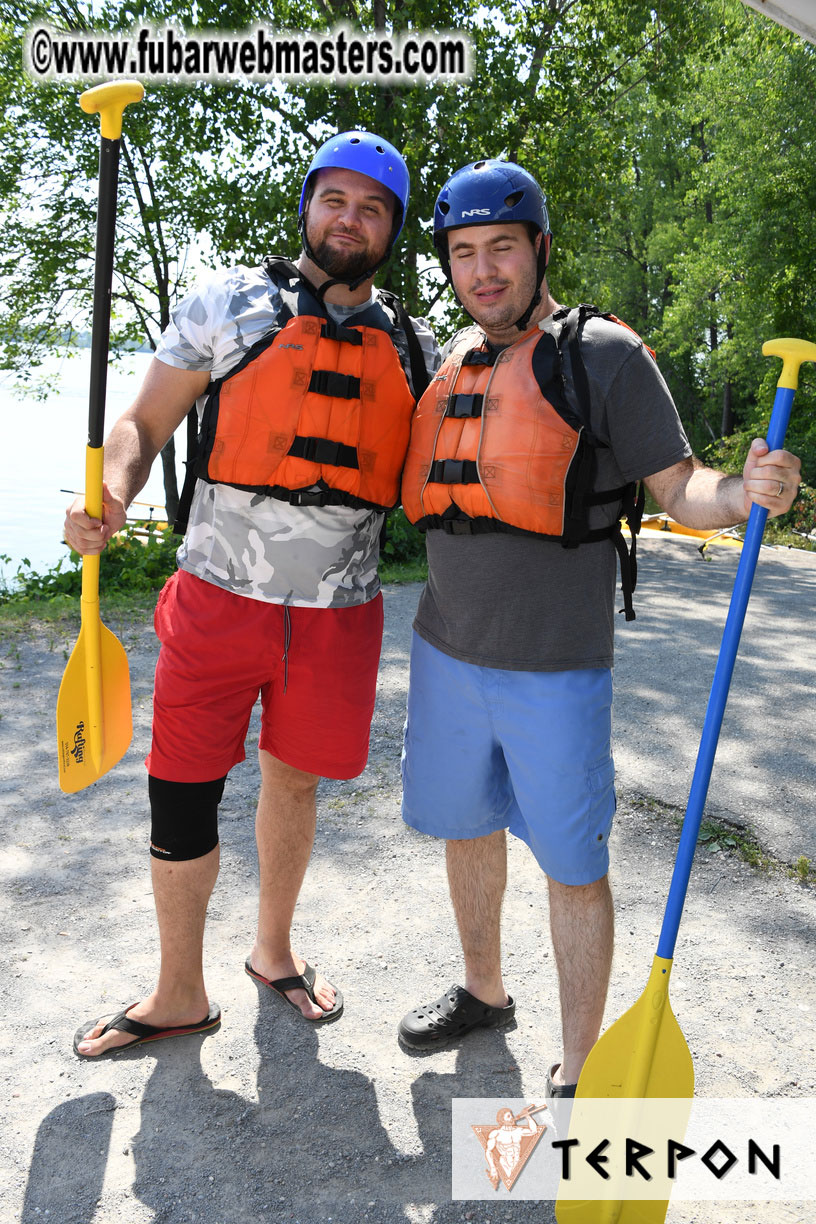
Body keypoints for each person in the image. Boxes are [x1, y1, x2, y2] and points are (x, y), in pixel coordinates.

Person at [396, 159, 801, 1099]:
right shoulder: (452, 361)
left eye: (502, 248)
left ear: (539, 250)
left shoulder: (605, 355)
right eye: (464, 254)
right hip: (446, 648)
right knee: (468, 828)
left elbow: (682, 487)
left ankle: (580, 1073)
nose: (483, 270)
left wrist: (747, 493)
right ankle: (484, 992)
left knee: (574, 866)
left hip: (556, 669)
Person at [65, 130, 438, 1057]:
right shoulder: (230, 303)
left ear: (390, 229)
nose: (350, 220)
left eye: (373, 208)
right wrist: (109, 492)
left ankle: (274, 953)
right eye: (335, 200)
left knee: (294, 785)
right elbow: (140, 427)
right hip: (216, 598)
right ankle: (177, 992)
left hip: (338, 615)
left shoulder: (415, 348)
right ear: (308, 205)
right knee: (182, 791)